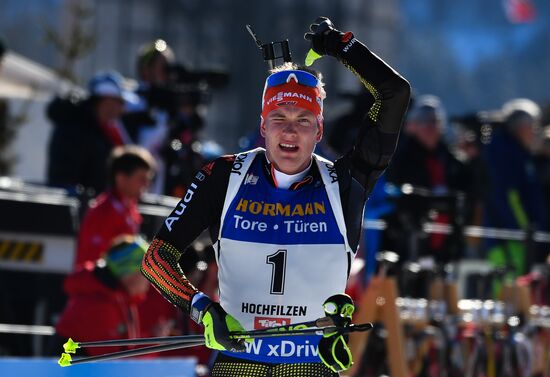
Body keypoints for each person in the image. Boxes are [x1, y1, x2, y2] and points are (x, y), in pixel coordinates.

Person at [141, 17, 410, 376]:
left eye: (303, 120)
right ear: (263, 125)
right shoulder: (224, 176)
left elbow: (394, 93)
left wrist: (340, 46)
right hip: (240, 365)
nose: (290, 130)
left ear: (319, 131)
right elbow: (157, 258)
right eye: (279, 117)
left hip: (309, 367)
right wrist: (203, 308)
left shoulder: (346, 183)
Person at [54, 236, 151, 357]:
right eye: (147, 273)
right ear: (129, 274)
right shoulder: (98, 303)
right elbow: (111, 365)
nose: (151, 281)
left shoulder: (120, 297)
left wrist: (153, 340)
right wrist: (152, 346)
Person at [484, 98, 548, 274]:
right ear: (520, 128)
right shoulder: (507, 154)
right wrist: (525, 230)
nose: (536, 133)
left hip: (518, 238)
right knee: (510, 293)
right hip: (510, 240)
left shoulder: (519, 153)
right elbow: (510, 197)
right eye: (532, 127)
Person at [47, 71, 131, 195]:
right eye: (120, 102)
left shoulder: (99, 129)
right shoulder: (76, 127)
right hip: (72, 203)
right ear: (106, 100)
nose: (122, 109)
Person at [74, 145, 155, 268]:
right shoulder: (102, 212)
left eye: (147, 179)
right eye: (141, 179)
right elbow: (93, 261)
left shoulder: (130, 208)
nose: (146, 184)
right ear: (121, 178)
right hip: (98, 286)